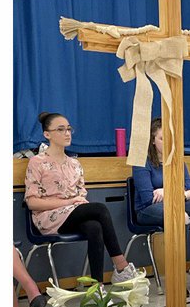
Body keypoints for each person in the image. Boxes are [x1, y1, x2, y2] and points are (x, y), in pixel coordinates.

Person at [25, 113, 138, 286]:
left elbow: (79, 197)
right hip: (48, 217)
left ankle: (96, 287)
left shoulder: (75, 164)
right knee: (99, 209)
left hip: (72, 214)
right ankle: (121, 265)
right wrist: (68, 202)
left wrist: (76, 203)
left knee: (95, 226)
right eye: (60, 129)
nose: (67, 133)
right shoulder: (37, 162)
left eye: (69, 129)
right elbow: (32, 202)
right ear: (47, 134)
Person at [132, 117, 190, 289]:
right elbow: (148, 198)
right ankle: (177, 277)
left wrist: (165, 192)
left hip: (179, 203)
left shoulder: (177, 160)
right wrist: (179, 193)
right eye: (162, 138)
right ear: (152, 140)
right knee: (182, 218)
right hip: (147, 210)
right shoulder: (141, 162)